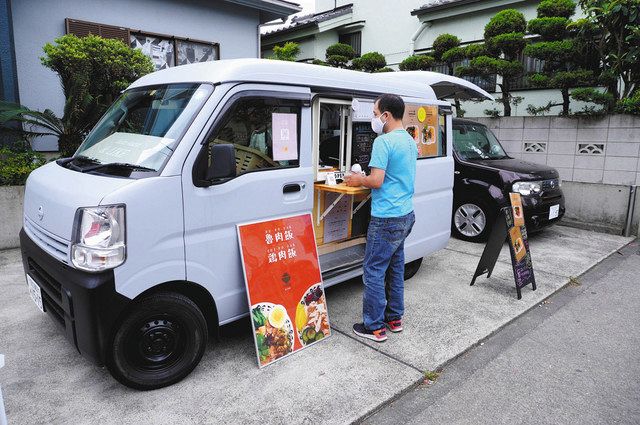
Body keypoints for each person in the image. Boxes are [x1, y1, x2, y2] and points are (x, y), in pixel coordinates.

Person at [345, 94, 417, 342]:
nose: (374, 119)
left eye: (375, 114)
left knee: (374, 270)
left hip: (386, 216)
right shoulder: (409, 140)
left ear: (386, 115)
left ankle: (374, 326)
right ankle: (394, 319)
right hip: (406, 214)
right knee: (395, 268)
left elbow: (376, 180)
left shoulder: (383, 142)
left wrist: (357, 179)